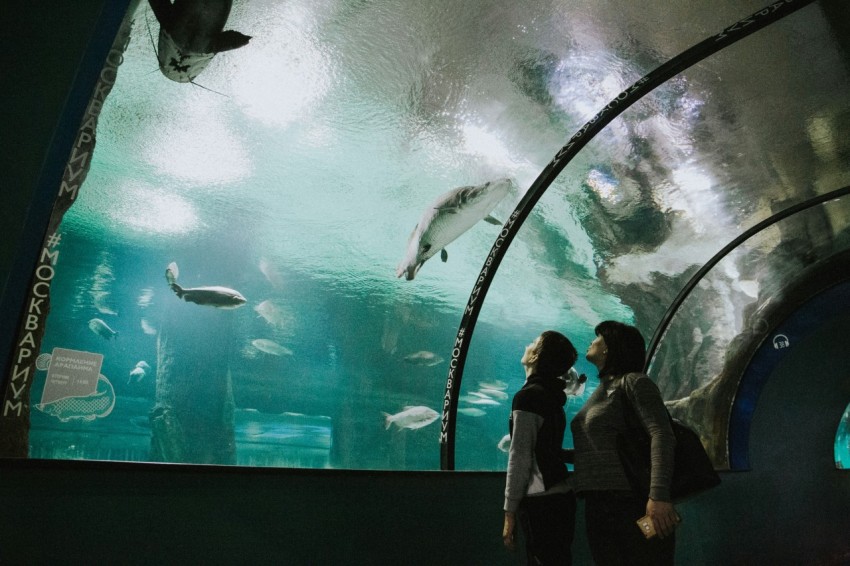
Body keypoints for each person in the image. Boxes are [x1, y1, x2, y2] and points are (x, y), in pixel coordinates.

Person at [571, 320, 679, 565]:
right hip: (597, 503)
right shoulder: (601, 389)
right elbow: (603, 446)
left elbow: (662, 434)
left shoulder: (634, 382)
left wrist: (659, 496)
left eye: (598, 337)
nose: (592, 341)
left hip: (632, 502)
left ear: (610, 347)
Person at [503, 330, 579, 565]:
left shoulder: (528, 397)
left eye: (533, 342)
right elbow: (548, 449)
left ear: (536, 356)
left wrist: (509, 511)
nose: (528, 344)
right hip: (561, 496)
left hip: (541, 501)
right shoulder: (551, 395)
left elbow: (520, 456)